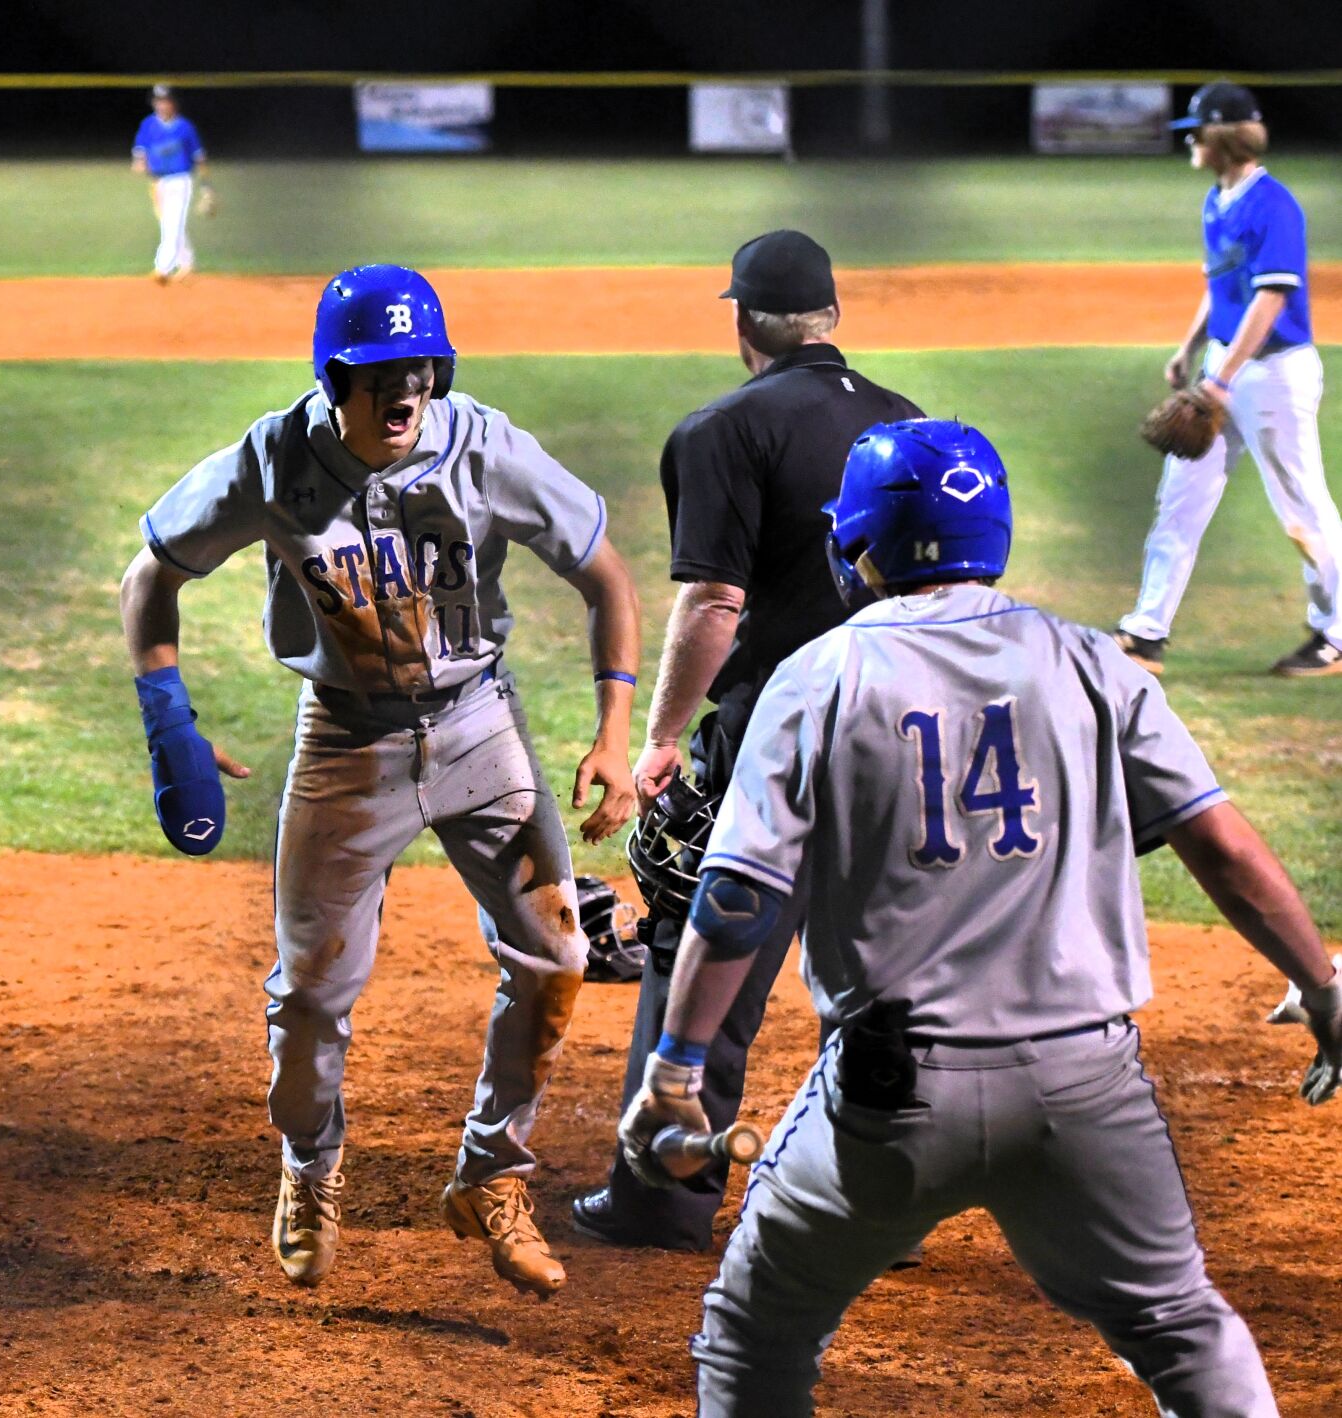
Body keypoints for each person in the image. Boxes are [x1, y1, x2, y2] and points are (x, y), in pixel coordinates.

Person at [617, 417, 1342, 1416]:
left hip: (892, 1097)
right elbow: (1221, 846)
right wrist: (1323, 987)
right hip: (1087, 1086)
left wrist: (676, 1067)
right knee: (1179, 1324)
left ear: (860, 542)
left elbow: (739, 893)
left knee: (757, 1329)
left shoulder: (819, 676)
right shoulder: (1095, 663)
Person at [119, 264, 639, 1299]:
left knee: (557, 950)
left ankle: (491, 1174)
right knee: (310, 995)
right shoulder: (274, 461)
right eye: (377, 374)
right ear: (332, 377)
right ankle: (309, 1166)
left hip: (478, 724)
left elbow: (605, 575)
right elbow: (152, 574)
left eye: (420, 368)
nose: (404, 392)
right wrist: (169, 722)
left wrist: (614, 729)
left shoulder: (481, 445)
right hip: (347, 741)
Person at [570, 230, 923, 1252]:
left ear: (739, 321)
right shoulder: (904, 420)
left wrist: (663, 736)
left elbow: (716, 599)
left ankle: (659, 1194)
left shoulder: (722, 428)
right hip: (896, 724)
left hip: (776, 730)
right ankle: (884, 1209)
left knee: (704, 946)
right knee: (876, 975)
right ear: (830, 317)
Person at [1114, 81, 1342, 678]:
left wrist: (1223, 376)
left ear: (1220, 137)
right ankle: (1145, 633)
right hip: (1226, 366)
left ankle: (1336, 632)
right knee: (1179, 501)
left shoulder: (1274, 205)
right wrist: (1190, 350)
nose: (1187, 142)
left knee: (1302, 507)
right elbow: (1222, 288)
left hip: (1275, 376)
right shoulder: (1217, 199)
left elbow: (1270, 300)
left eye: (1195, 132)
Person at [131, 84, 212, 284]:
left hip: (180, 181)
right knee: (170, 224)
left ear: (173, 103)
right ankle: (187, 263)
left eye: (165, 101)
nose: (161, 105)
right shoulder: (148, 125)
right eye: (158, 101)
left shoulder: (185, 127)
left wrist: (206, 187)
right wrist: (139, 162)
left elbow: (199, 158)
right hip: (157, 183)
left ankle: (162, 268)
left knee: (172, 224)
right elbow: (140, 150)